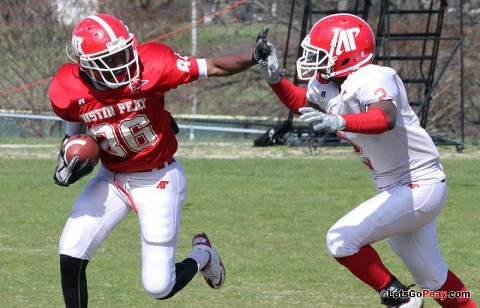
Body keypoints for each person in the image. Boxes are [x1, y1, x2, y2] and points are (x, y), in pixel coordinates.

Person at [256, 13, 476, 307]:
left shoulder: (373, 76)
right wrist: (276, 81)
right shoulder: (329, 81)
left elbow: (384, 116)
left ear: (346, 54)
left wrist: (340, 121)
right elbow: (306, 106)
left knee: (340, 240)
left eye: (319, 54)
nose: (312, 60)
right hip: (397, 188)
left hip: (419, 185)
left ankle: (401, 300)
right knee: (435, 282)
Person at [49, 13, 265, 307]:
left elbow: (211, 66)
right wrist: (69, 159)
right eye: (111, 59)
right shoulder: (68, 87)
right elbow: (73, 131)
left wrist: (254, 56)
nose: (123, 62)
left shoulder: (152, 64)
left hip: (157, 178)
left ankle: (202, 255)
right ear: (87, 65)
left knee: (159, 287)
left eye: (123, 52)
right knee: (71, 248)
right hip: (110, 178)